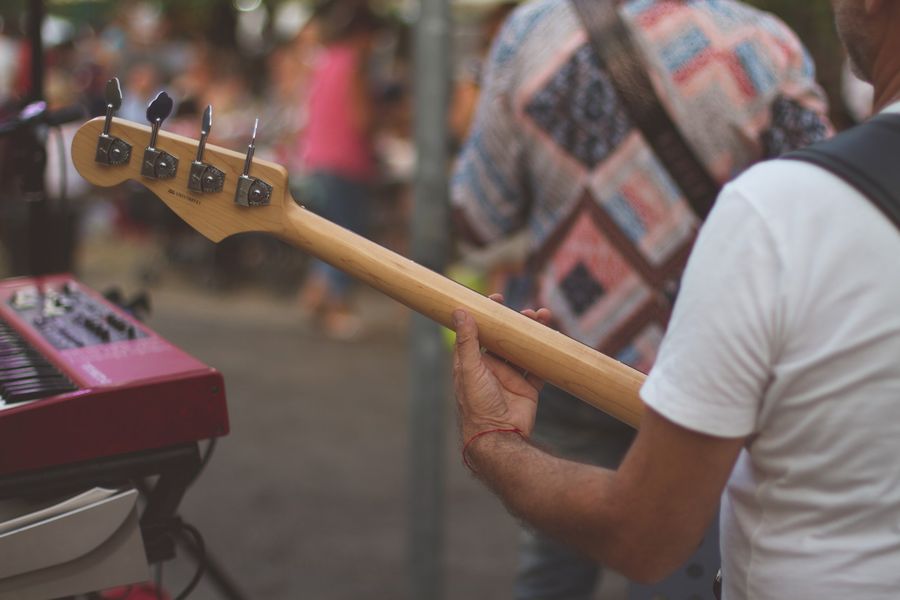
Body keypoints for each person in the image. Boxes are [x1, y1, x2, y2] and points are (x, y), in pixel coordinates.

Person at [450, 0, 900, 598]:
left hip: (562, 355)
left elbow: (477, 218)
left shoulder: (533, 32)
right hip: (719, 375)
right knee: (684, 571)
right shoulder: (767, 45)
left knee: (553, 571)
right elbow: (832, 214)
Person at [297, 0, 381, 339]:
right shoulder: (355, 64)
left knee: (327, 236)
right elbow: (362, 119)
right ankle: (335, 308)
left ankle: (315, 297)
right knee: (345, 241)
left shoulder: (324, 60)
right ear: (363, 34)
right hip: (347, 162)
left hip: (317, 160)